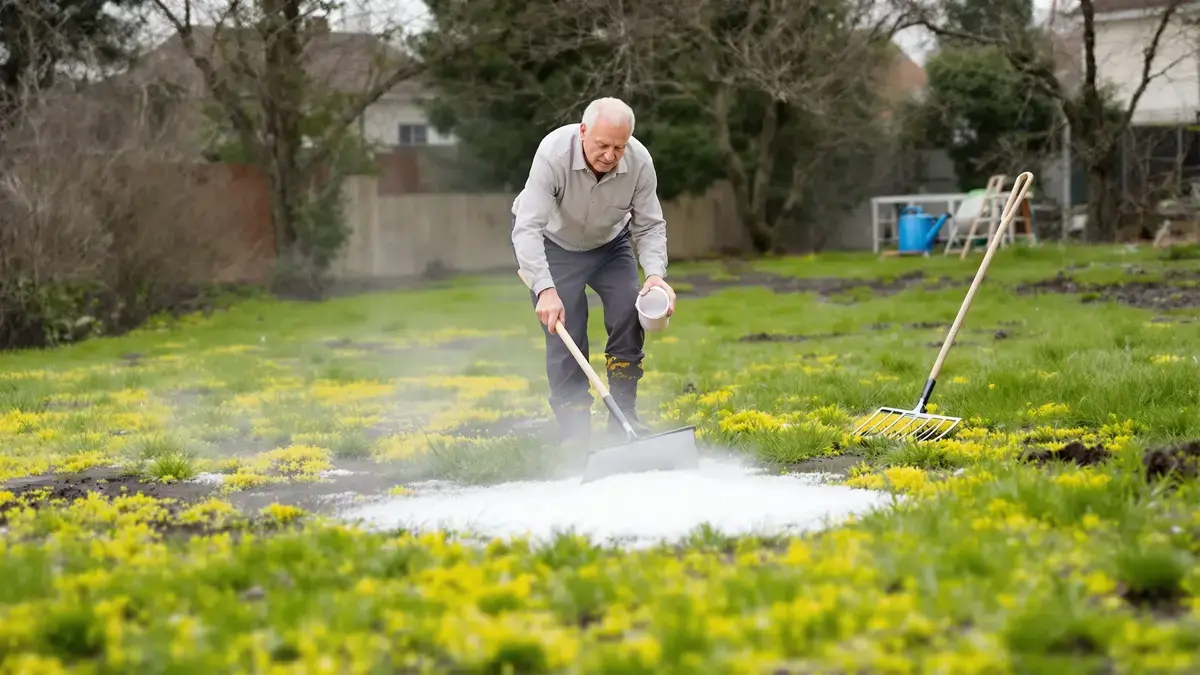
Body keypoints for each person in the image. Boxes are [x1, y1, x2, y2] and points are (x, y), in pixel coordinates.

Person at [510, 97, 676, 450]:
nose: (610, 155)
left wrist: (655, 276)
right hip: (554, 246)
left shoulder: (640, 162)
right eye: (602, 145)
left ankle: (625, 419)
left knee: (629, 314)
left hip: (609, 246)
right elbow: (527, 228)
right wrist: (544, 289)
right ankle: (574, 431)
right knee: (564, 332)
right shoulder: (553, 154)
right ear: (583, 131)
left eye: (619, 146)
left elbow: (649, 226)